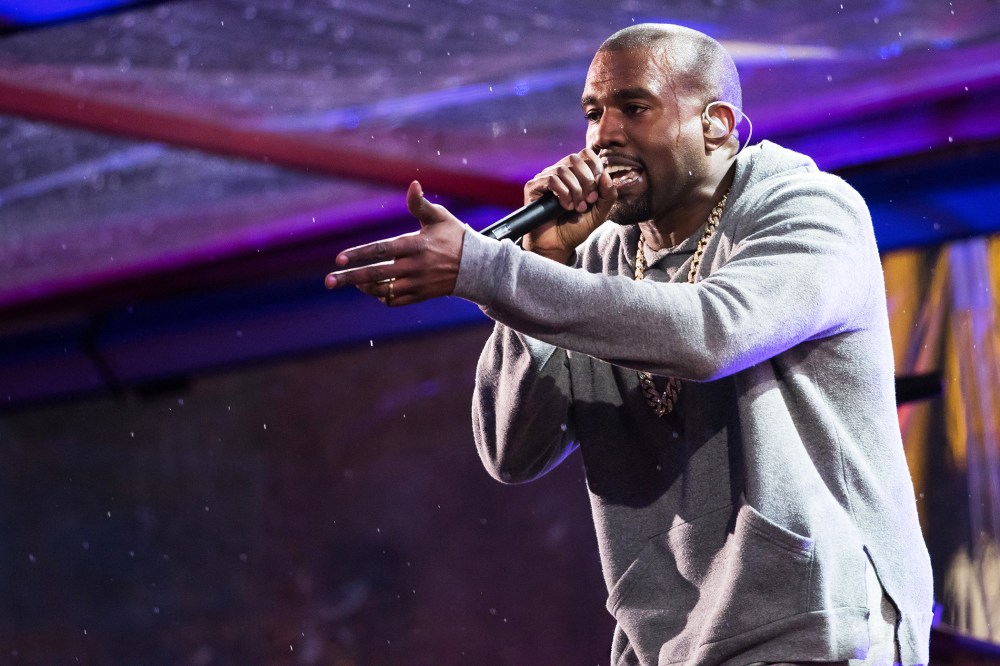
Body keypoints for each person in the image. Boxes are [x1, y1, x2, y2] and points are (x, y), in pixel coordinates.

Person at [326, 23, 934, 666]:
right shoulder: (593, 262)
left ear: (717, 124)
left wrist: (490, 270)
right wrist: (546, 263)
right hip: (667, 647)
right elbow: (513, 450)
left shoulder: (810, 209)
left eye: (634, 108)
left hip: (820, 630)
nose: (603, 134)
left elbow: (710, 334)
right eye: (593, 112)